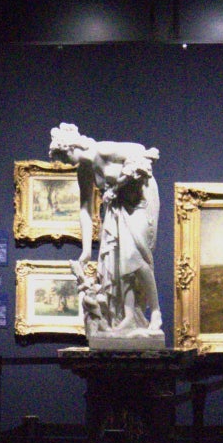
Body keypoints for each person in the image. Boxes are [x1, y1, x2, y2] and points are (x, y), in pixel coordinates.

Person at [48, 122, 163, 348]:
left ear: (71, 147)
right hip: (116, 206)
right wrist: (85, 251)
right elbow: (85, 210)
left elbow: (141, 154)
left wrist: (117, 186)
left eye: (64, 157)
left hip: (140, 200)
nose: (66, 163)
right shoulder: (84, 170)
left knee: (136, 256)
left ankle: (156, 311)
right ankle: (128, 317)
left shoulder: (103, 150)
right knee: (118, 263)